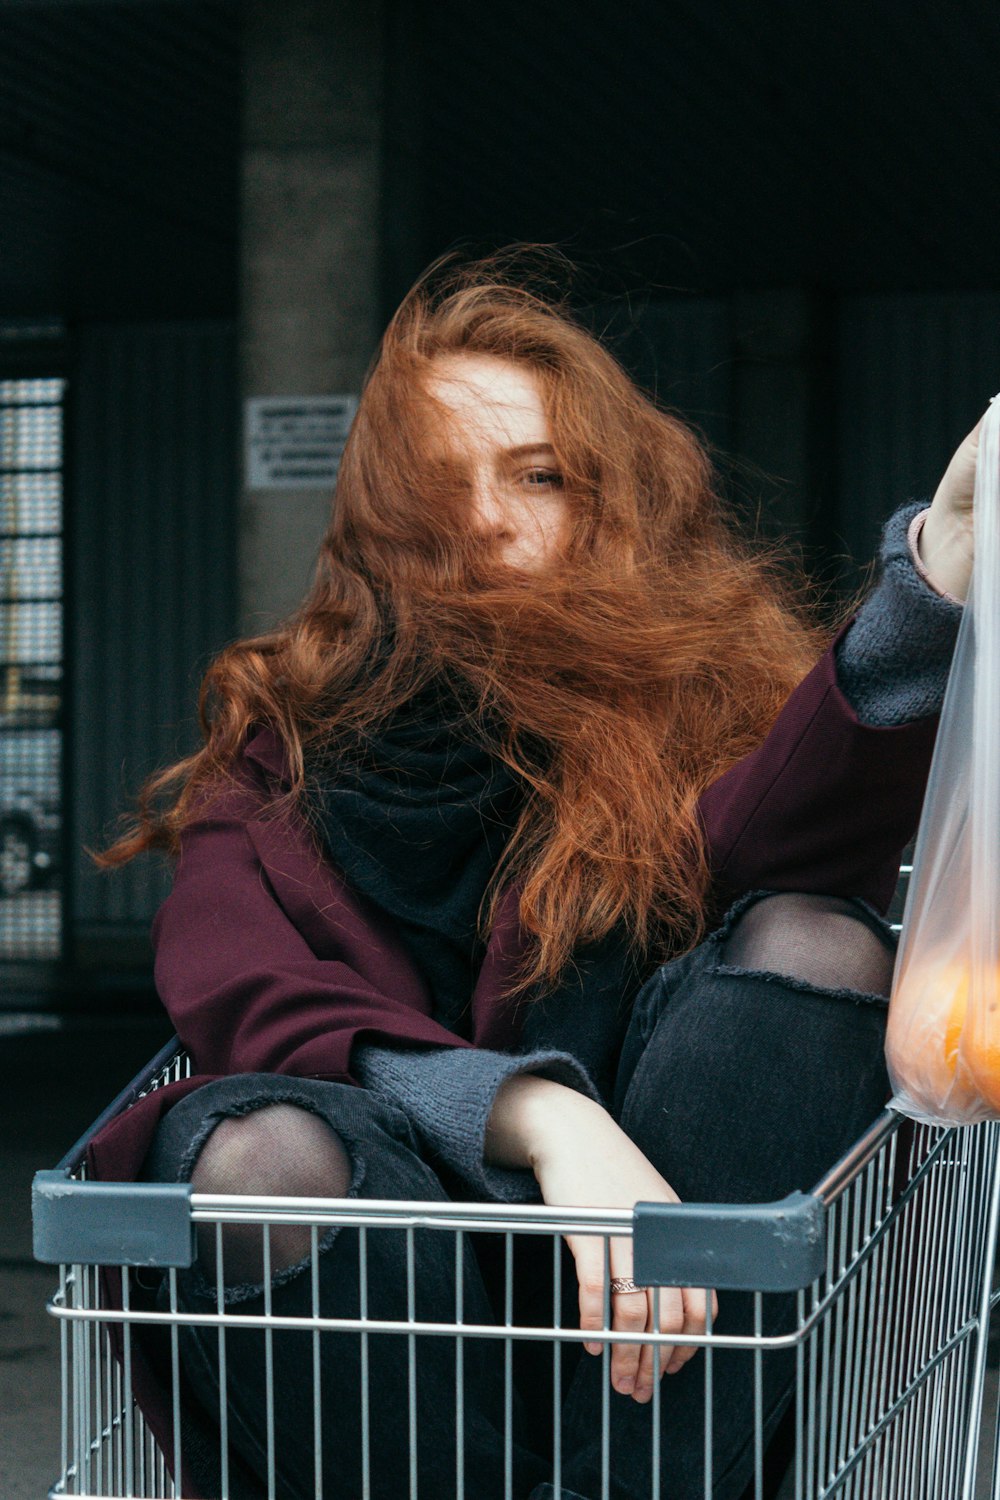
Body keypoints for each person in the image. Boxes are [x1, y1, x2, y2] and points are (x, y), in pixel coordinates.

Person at [89, 254, 978, 1500]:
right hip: (401, 1305)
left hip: (658, 1318)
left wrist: (933, 578)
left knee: (808, 939)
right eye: (440, 486)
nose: (491, 520)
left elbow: (773, 836)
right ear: (378, 521)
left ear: (607, 506)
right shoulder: (273, 762)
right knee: (256, 1155)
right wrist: (548, 1121)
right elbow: (244, 991)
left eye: (540, 476)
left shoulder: (679, 711)